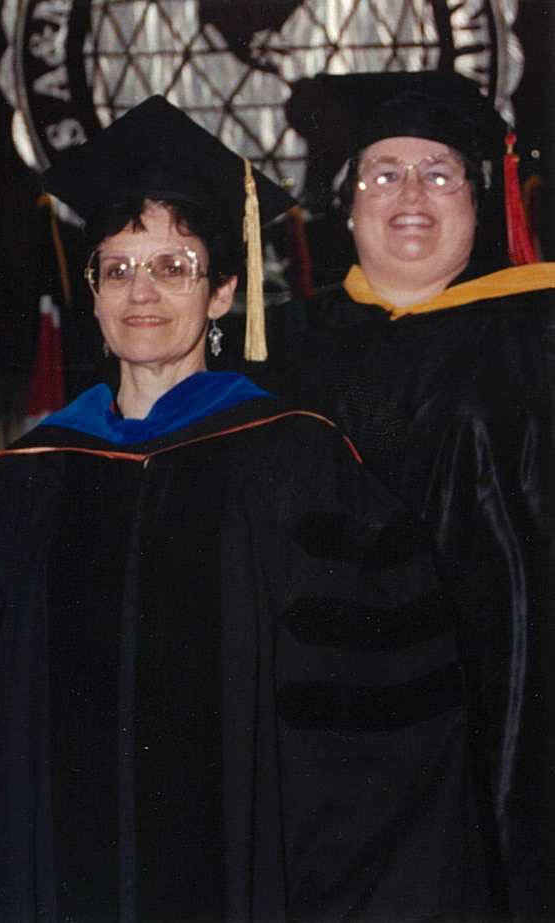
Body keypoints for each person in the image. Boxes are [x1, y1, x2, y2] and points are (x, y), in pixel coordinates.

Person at [0, 96, 483, 922]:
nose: (143, 293)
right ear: (94, 298)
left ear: (221, 294)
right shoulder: (29, 479)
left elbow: (377, 735)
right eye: (118, 268)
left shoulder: (294, 459)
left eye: (175, 266)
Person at [217, 71, 555, 920]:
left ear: (480, 201)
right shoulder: (278, 353)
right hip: (324, 748)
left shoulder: (539, 334)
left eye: (439, 172)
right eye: (384, 172)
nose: (411, 194)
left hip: (508, 724)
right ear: (349, 202)